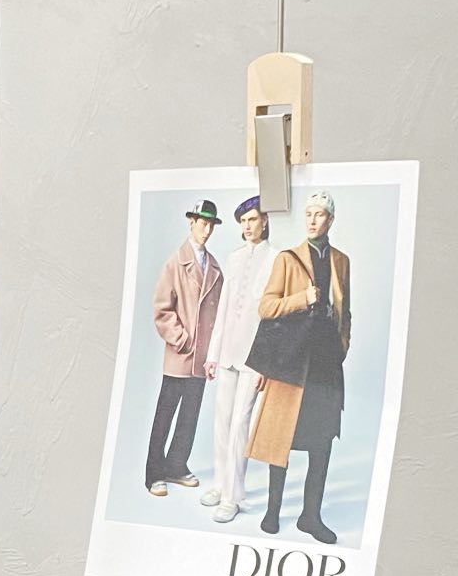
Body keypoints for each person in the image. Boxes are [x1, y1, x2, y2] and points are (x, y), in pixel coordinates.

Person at [246, 190, 352, 543]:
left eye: (319, 214)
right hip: (292, 361)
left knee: (322, 442)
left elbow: (346, 312)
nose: (312, 220)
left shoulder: (341, 261)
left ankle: (311, 516)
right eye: (308, 214)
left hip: (325, 364)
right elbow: (266, 307)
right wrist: (301, 299)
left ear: (330, 220)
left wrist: (342, 347)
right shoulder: (288, 259)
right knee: (282, 437)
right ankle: (273, 511)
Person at [200, 196, 274, 523]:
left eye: (253, 220)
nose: (247, 226)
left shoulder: (276, 259)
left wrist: (266, 364)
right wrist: (213, 355)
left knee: (240, 424)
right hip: (228, 351)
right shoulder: (233, 258)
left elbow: (273, 319)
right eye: (243, 221)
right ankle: (220, 484)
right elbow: (224, 308)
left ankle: (232, 496)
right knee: (222, 421)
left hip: (254, 358)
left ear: (265, 221)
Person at [145, 197, 224, 497]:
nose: (207, 230)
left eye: (211, 225)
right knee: (165, 415)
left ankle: (177, 465)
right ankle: (154, 473)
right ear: (191, 223)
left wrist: (212, 353)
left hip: (202, 358)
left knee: (190, 415)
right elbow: (162, 309)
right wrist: (183, 339)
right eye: (202, 224)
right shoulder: (175, 263)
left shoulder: (214, 267)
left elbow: (220, 314)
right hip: (181, 354)